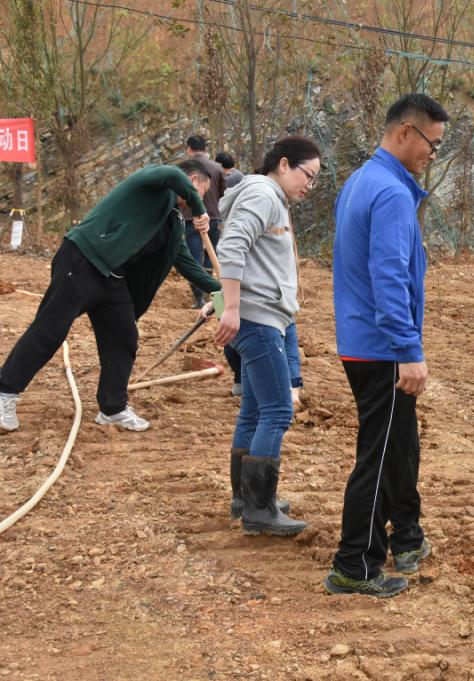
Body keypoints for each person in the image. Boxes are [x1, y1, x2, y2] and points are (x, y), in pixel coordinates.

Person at [324, 93, 448, 598]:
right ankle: (355, 565)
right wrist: (407, 349)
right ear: (404, 133)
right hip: (381, 346)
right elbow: (389, 275)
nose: (432, 155)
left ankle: (408, 538)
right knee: (378, 455)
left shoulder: (360, 181)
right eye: (431, 144)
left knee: (400, 446)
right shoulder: (393, 194)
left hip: (363, 339)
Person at [0, 161, 221, 433]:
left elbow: (183, 259)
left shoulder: (173, 219)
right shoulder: (152, 182)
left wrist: (221, 290)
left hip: (113, 277)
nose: (201, 200)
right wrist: (200, 210)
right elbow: (172, 174)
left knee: (123, 338)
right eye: (201, 191)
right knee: (50, 330)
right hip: (83, 259)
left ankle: (112, 408)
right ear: (192, 178)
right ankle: (5, 393)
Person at [210, 135, 320, 536]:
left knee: (254, 410)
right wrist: (233, 308)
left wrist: (226, 302)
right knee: (277, 410)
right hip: (257, 319)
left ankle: (246, 499)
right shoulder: (264, 193)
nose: (310, 184)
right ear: (285, 164)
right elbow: (234, 246)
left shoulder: (270, 198)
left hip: (256, 315)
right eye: (308, 174)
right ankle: (260, 509)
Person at [183, 135, 226, 308]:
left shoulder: (186, 169)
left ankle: (199, 300)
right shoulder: (217, 167)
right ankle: (214, 300)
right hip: (214, 217)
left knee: (194, 260)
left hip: (191, 218)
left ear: (189, 149)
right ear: (205, 149)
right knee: (211, 258)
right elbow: (224, 193)